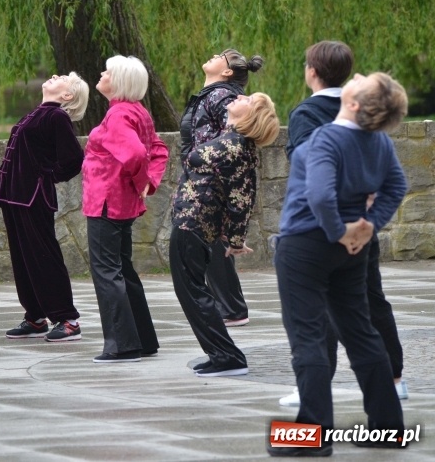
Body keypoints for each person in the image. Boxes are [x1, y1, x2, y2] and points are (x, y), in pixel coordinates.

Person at [268, 72, 408, 456]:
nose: (358, 75)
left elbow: (319, 194)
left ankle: (311, 437)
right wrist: (367, 226)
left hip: (306, 245)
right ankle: (389, 427)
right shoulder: (378, 141)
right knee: (361, 333)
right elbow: (397, 186)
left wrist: (340, 230)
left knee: (307, 338)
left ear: (355, 103)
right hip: (351, 251)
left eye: (365, 81)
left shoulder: (327, 137)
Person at [170, 93, 280, 377]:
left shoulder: (237, 146)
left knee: (193, 293)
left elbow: (241, 198)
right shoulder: (230, 140)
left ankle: (227, 356)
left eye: (249, 98)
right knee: (193, 292)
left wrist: (234, 240)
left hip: (193, 225)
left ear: (251, 114)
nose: (239, 96)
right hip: (191, 224)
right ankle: (221, 353)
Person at [0, 73, 89, 341]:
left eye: (63, 78)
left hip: (33, 196)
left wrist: (47, 176)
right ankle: (35, 317)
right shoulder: (37, 114)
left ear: (68, 96)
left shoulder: (56, 117)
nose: (55, 75)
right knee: (23, 258)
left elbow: (74, 159)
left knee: (44, 256)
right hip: (14, 195)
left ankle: (68, 320)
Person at [82, 55, 168, 363]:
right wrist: (148, 183)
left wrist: (144, 180)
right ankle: (142, 339)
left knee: (107, 272)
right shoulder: (137, 112)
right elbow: (157, 150)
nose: (102, 74)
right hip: (123, 201)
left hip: (106, 200)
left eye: (107, 71)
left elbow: (134, 153)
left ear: (118, 81)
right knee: (123, 270)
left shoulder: (118, 114)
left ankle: (122, 344)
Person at [178, 49, 264, 328]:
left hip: (210, 181)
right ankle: (229, 307)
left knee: (213, 243)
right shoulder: (212, 94)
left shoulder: (222, 96)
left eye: (220, 56)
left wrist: (209, 169)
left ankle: (230, 308)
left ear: (227, 72)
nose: (213, 55)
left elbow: (234, 140)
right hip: (203, 179)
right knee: (213, 244)